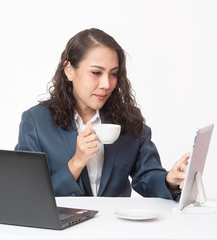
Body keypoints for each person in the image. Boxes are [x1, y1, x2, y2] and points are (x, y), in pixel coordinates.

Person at [15, 28, 190, 199]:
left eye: (113, 74)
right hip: (64, 227)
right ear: (69, 70)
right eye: (96, 73)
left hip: (115, 227)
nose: (107, 84)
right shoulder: (36, 122)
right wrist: (76, 163)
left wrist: (170, 181)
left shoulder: (128, 119)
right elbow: (28, 195)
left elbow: (147, 176)